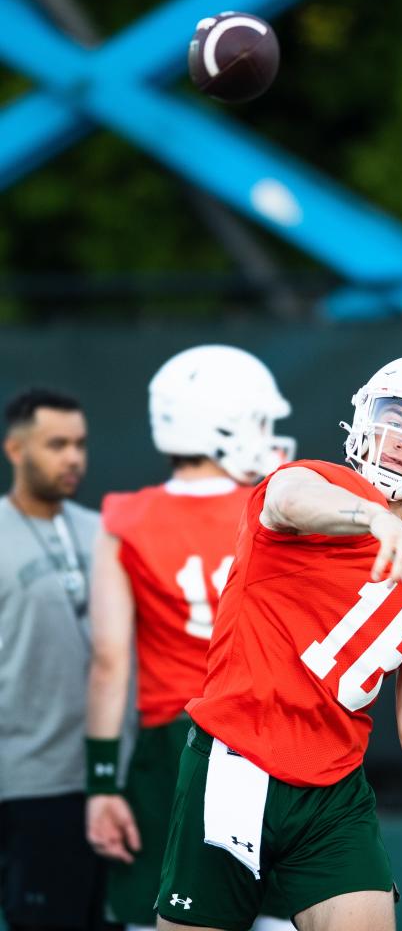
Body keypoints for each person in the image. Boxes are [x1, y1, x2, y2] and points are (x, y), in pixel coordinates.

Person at [152, 351, 402, 931]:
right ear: (363, 418)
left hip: (333, 791)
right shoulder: (315, 484)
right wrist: (373, 517)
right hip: (236, 762)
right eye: (395, 416)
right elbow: (287, 498)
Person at [85, 345, 297, 931]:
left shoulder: (125, 518)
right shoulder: (278, 508)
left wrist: (102, 780)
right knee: (278, 919)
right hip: (268, 736)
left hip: (172, 747)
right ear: (225, 425)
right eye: (259, 420)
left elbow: (109, 662)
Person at [0, 388, 110, 931]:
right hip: (29, 787)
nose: (73, 457)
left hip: (113, 786)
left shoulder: (104, 530)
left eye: (81, 444)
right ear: (15, 449)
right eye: (57, 444)